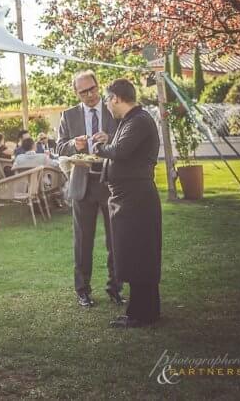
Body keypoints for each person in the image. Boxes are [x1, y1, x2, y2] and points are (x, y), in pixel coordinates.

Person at [92, 79, 162, 328]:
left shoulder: (139, 120)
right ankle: (140, 311)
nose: (107, 106)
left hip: (137, 200)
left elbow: (120, 151)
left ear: (116, 98)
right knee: (134, 256)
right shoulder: (129, 121)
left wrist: (99, 147)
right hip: (128, 199)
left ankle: (143, 314)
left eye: (107, 100)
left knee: (140, 257)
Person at [57, 69, 123, 309]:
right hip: (82, 183)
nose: (90, 95)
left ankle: (115, 287)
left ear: (98, 86)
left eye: (93, 89)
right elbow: (60, 148)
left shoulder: (113, 108)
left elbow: (124, 139)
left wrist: (111, 139)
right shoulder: (68, 115)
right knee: (83, 241)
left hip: (109, 181)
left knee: (115, 239)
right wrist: (74, 144)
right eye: (83, 91)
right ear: (76, 93)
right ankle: (82, 290)